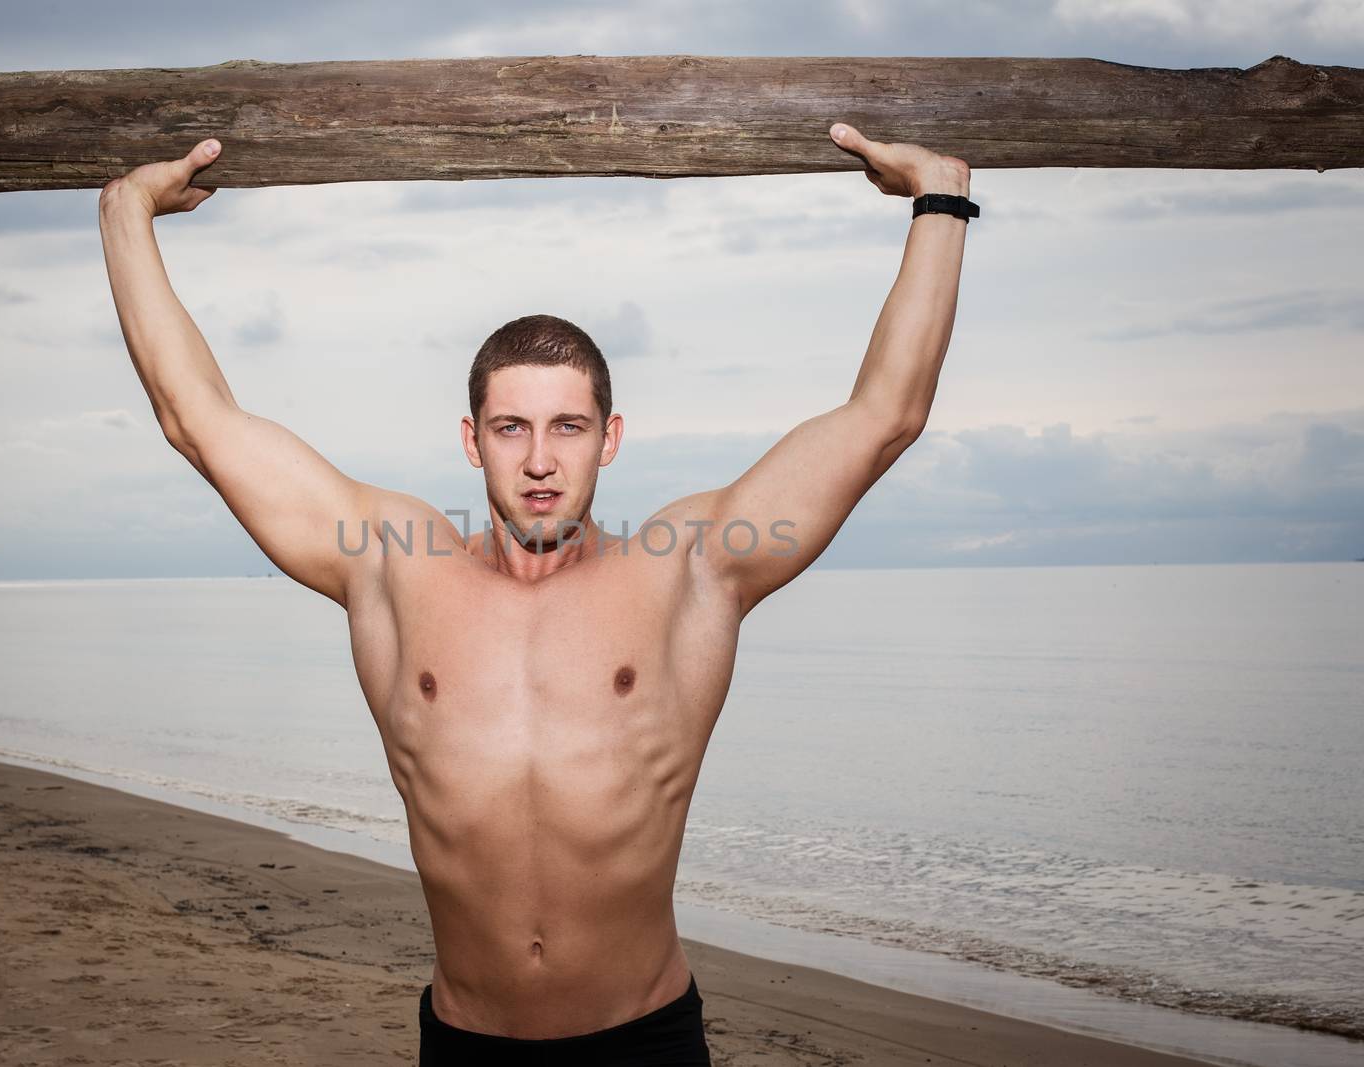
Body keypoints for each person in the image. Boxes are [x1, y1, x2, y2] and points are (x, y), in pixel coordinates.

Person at [97, 121, 972, 1065]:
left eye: (569, 426)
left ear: (611, 437)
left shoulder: (689, 568)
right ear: (473, 440)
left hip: (644, 1038)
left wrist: (941, 197)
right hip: (470, 1044)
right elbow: (199, 422)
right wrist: (125, 209)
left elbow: (886, 416)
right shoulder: (392, 564)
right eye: (511, 427)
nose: (542, 460)